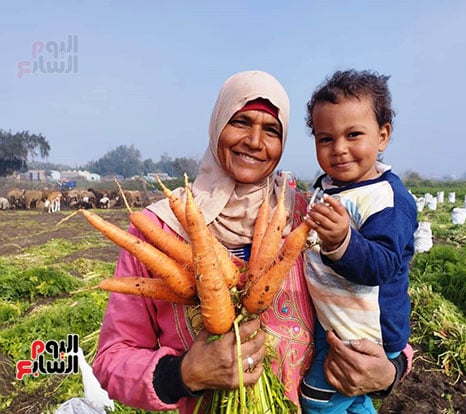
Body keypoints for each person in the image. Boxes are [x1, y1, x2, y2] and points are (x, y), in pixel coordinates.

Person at [93, 70, 408, 413]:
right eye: (240, 122)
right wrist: (184, 374)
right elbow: (111, 359)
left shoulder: (308, 216)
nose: (255, 142)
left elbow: (378, 301)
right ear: (217, 125)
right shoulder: (158, 229)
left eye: (271, 130)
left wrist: (390, 371)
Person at [299, 69, 418, 413]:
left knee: (319, 398)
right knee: (351, 401)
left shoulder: (386, 199)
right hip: (336, 319)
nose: (339, 149)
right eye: (325, 139)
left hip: (364, 332)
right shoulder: (329, 186)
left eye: (353, 135)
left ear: (382, 136)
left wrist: (341, 241)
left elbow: (382, 266)